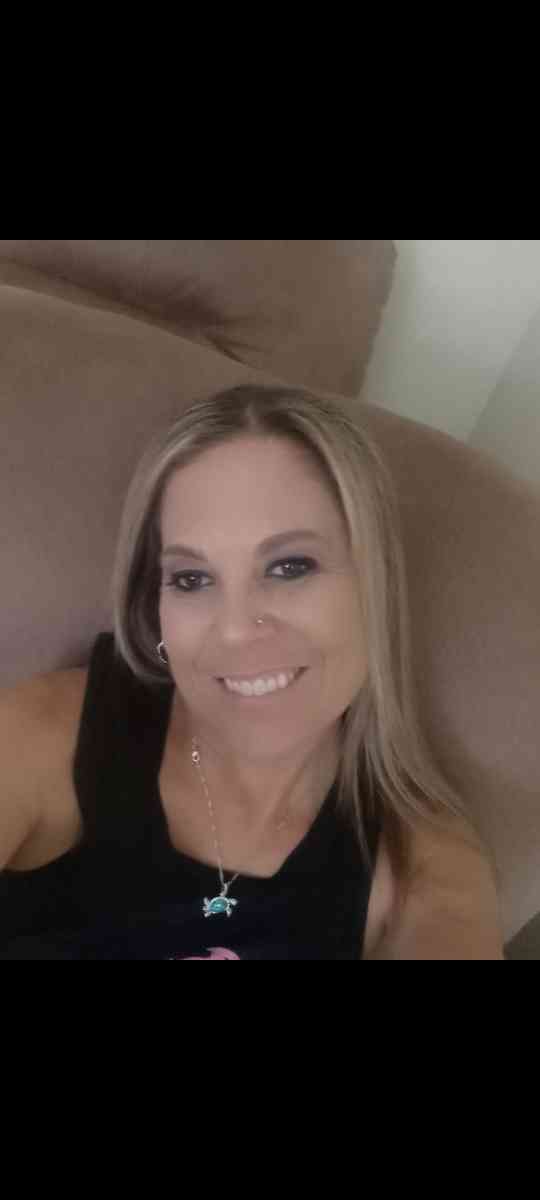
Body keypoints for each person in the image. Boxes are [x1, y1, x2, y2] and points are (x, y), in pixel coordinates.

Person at [0, 385, 504, 959]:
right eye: (192, 579)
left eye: (290, 567)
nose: (236, 630)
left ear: (376, 586)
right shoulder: (50, 735)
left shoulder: (423, 862)